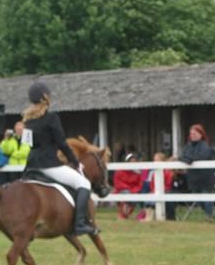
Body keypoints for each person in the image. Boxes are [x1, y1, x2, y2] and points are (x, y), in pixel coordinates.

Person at [22, 81, 98, 235]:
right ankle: (80, 224)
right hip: (49, 164)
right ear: (45, 97)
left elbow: (27, 144)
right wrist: (75, 162)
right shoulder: (52, 118)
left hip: (31, 165)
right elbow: (62, 143)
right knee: (83, 183)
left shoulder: (27, 121)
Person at [180, 123, 215, 221]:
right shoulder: (188, 146)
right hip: (193, 177)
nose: (193, 135)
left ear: (201, 134)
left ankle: (209, 216)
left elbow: (202, 156)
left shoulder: (204, 145)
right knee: (197, 199)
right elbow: (182, 156)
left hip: (205, 177)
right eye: (191, 134)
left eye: (195, 133)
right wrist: (188, 159)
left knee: (206, 196)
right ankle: (212, 212)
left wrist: (189, 159)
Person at [112, 153, 143, 219]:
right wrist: (128, 189)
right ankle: (123, 215)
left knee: (135, 197)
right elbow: (118, 183)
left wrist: (133, 191)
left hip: (133, 191)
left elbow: (139, 185)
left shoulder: (138, 173)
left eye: (135, 161)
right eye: (131, 161)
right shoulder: (120, 171)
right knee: (126, 195)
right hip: (121, 190)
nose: (133, 163)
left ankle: (126, 214)